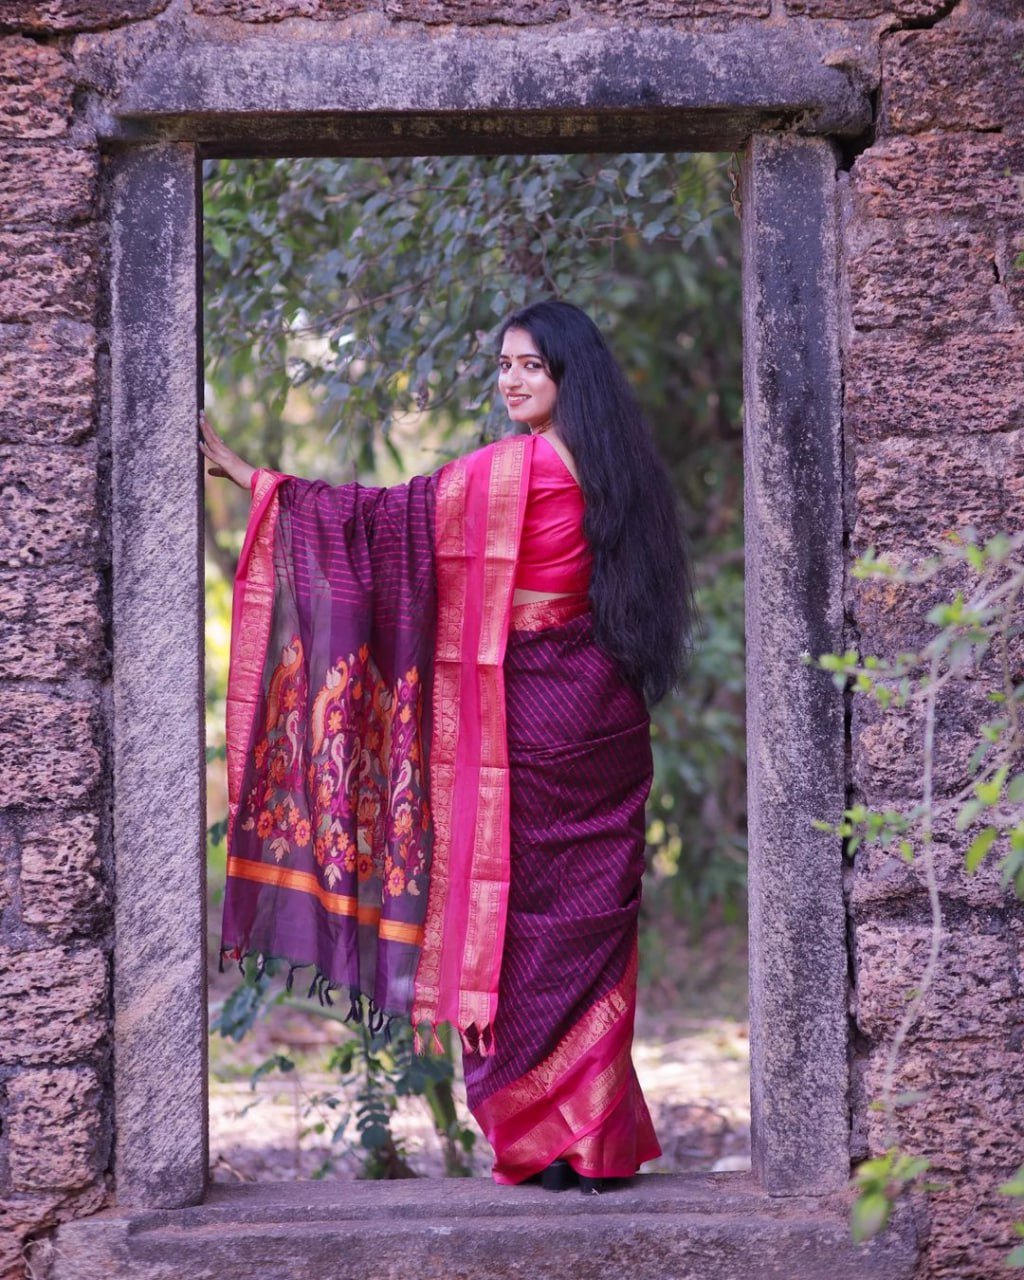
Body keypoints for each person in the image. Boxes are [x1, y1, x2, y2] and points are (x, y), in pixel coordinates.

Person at [200, 299, 697, 1194]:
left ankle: (547, 1138)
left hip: (535, 726)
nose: (512, 379)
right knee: (586, 929)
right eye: (505, 363)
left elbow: (382, 523)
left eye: (532, 366)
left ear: (567, 377)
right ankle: (592, 1140)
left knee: (516, 928)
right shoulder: (620, 471)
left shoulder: (520, 471)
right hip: (606, 715)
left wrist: (256, 481)